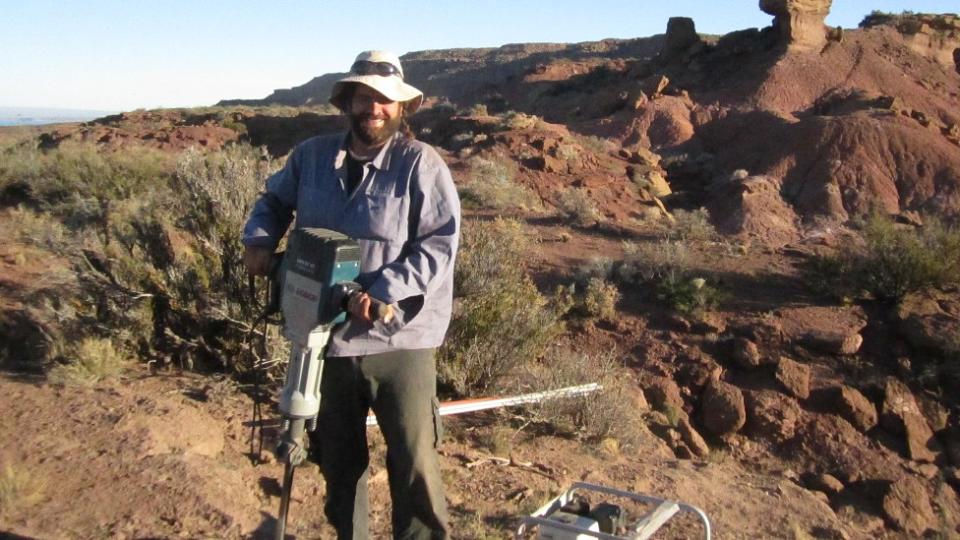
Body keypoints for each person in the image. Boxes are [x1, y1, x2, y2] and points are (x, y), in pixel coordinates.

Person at [242, 50, 459, 540]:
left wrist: (379, 291)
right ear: (349, 102)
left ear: (402, 107)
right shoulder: (312, 156)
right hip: (327, 341)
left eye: (385, 100)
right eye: (366, 97)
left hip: (398, 340)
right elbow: (273, 201)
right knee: (339, 463)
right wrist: (258, 239)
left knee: (414, 461)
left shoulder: (419, 164)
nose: (375, 108)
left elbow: (439, 246)